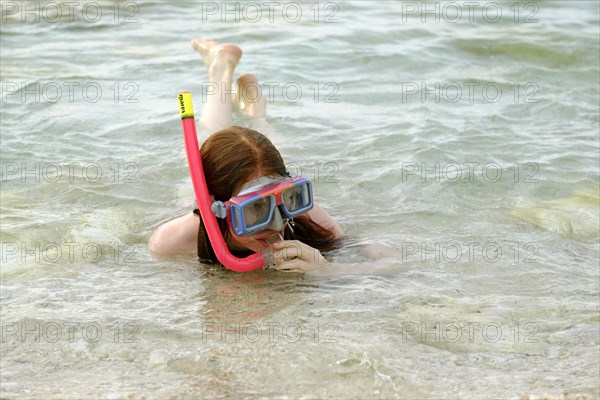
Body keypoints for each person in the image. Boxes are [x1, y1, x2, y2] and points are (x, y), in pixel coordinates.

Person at [149, 39, 345, 272]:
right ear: (217, 209)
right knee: (210, 135)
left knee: (258, 148)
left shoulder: (305, 216)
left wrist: (328, 269)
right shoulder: (172, 243)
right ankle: (220, 70)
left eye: (281, 199)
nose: (277, 224)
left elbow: (389, 266)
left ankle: (257, 113)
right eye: (255, 209)